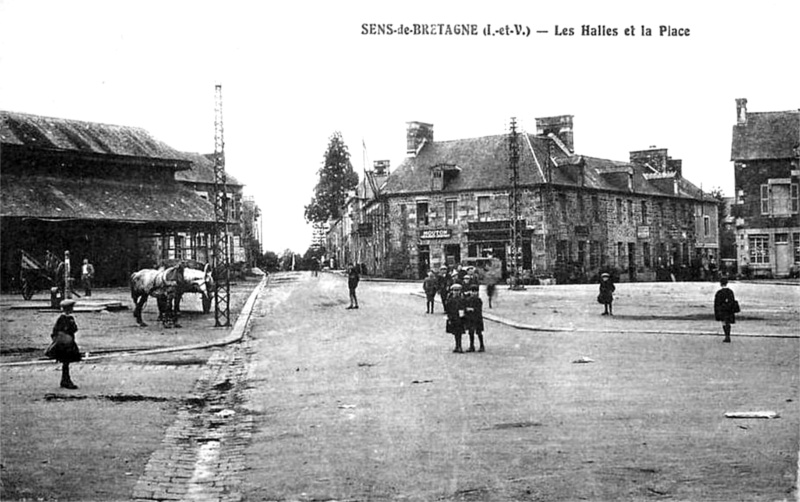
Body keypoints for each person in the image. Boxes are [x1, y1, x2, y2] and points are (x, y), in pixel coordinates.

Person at [45, 299, 82, 389]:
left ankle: (65, 379)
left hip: (65, 343)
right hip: (66, 344)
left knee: (66, 362)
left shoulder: (62, 319)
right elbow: (74, 329)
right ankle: (66, 380)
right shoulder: (66, 319)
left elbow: (55, 331)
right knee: (66, 362)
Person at [714, 277, 738, 343]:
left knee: (724, 323)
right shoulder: (730, 292)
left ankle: (726, 336)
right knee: (728, 323)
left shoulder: (719, 292)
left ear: (720, 284)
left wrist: (717, 312)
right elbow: (732, 301)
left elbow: (716, 303)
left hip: (722, 310)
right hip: (729, 310)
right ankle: (728, 335)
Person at [464, 284, 485, 352]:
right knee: (471, 332)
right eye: (472, 291)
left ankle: (482, 345)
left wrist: (473, 309)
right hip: (470, 318)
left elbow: (479, 309)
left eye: (475, 291)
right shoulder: (468, 299)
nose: (474, 293)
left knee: (479, 332)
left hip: (477, 318)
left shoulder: (478, 300)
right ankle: (471, 346)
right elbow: (465, 307)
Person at [445, 283, 465, 353]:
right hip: (453, 317)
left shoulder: (462, 299)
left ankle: (459, 346)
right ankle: (457, 346)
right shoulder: (450, 300)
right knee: (455, 332)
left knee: (459, 332)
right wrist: (449, 317)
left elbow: (463, 308)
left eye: (458, 290)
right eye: (455, 290)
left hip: (460, 318)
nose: (456, 292)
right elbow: (447, 309)